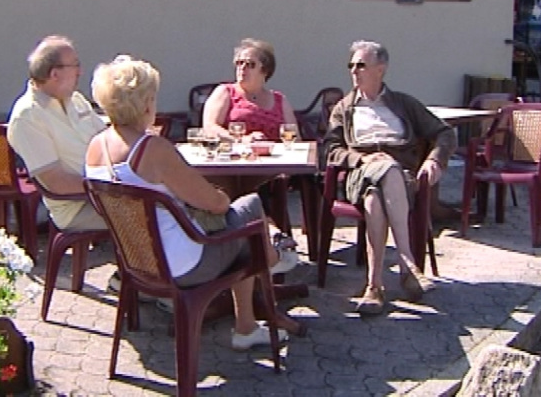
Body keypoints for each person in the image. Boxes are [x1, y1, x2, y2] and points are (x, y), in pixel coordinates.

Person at [85, 54, 302, 350]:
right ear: (145, 103)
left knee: (243, 234)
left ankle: (253, 305)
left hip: (138, 262)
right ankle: (271, 268)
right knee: (249, 207)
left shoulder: (96, 146)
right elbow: (216, 204)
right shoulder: (153, 149)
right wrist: (223, 197)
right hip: (184, 264)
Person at [324, 40, 456, 316]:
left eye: (361, 65)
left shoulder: (404, 104)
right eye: (351, 65)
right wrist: (360, 159)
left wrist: (434, 160)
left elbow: (445, 132)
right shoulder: (344, 109)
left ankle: (374, 286)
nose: (354, 70)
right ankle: (408, 264)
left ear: (381, 69)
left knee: (376, 196)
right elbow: (331, 149)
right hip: (359, 174)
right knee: (383, 172)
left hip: (400, 178)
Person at [7, 35, 107, 231]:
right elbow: (57, 182)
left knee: (171, 201)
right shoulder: (28, 116)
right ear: (54, 74)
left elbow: (107, 140)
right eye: (75, 65)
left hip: (108, 194)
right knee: (159, 215)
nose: (80, 72)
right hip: (80, 207)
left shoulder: (76, 100)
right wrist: (115, 188)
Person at [202, 38, 300, 199]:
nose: (242, 68)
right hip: (230, 166)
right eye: (239, 63)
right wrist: (242, 140)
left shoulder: (279, 100)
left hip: (269, 170)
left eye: (250, 64)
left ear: (265, 69)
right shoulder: (225, 92)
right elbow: (210, 128)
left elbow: (294, 136)